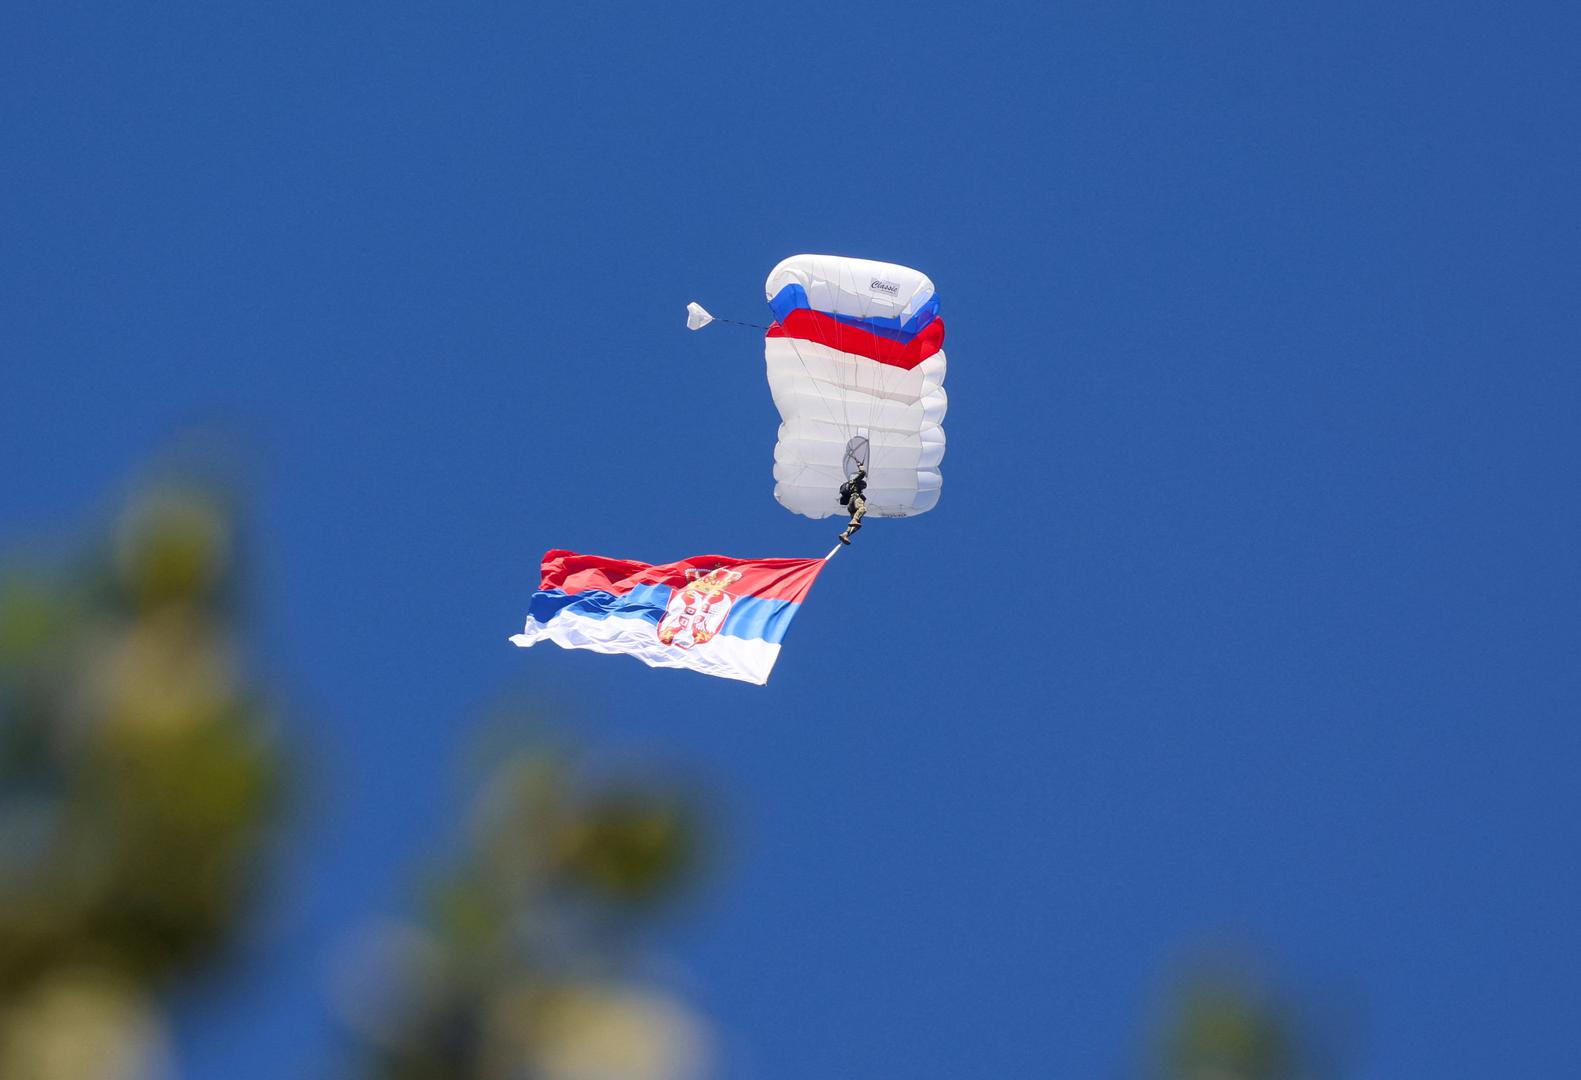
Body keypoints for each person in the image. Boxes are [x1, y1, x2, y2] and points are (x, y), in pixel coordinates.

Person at [838, 466, 868, 545]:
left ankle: (845, 534)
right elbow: (863, 473)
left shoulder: (851, 486)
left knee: (857, 524)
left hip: (850, 505)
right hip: (855, 499)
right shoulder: (855, 482)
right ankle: (854, 520)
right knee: (863, 509)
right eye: (863, 486)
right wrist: (861, 467)